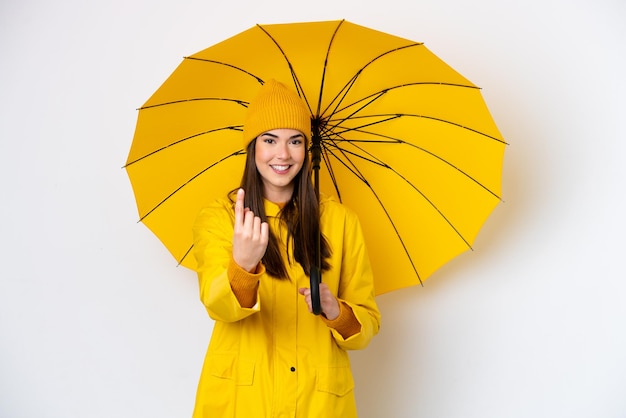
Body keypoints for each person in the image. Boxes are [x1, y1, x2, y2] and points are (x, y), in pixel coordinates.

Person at [191, 79, 381, 417]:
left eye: (295, 141)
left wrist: (335, 311)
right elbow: (217, 305)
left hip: (318, 401)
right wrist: (243, 266)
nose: (283, 154)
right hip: (243, 401)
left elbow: (367, 325)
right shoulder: (219, 217)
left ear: (307, 149)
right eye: (269, 140)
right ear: (253, 148)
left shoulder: (340, 221)